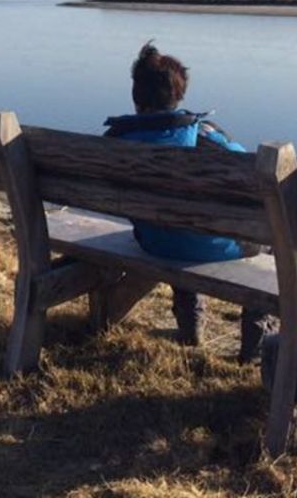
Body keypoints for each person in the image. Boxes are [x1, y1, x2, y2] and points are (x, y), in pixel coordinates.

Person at [103, 41, 273, 362]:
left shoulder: (116, 141)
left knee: (176, 220)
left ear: (136, 96)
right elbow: (256, 179)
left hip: (154, 242)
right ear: (179, 95)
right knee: (271, 235)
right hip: (213, 248)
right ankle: (256, 345)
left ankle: (190, 326)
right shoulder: (204, 136)